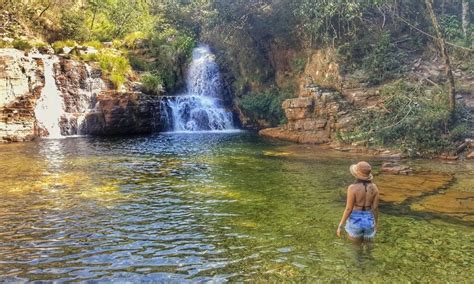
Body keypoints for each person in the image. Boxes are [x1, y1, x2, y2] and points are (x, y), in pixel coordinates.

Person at [336, 161, 379, 244]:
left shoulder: (352, 188)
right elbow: (375, 208)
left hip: (355, 221)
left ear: (356, 174)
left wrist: (340, 225)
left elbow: (349, 209)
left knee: (356, 250)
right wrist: (376, 224)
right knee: (369, 247)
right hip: (369, 221)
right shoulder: (374, 188)